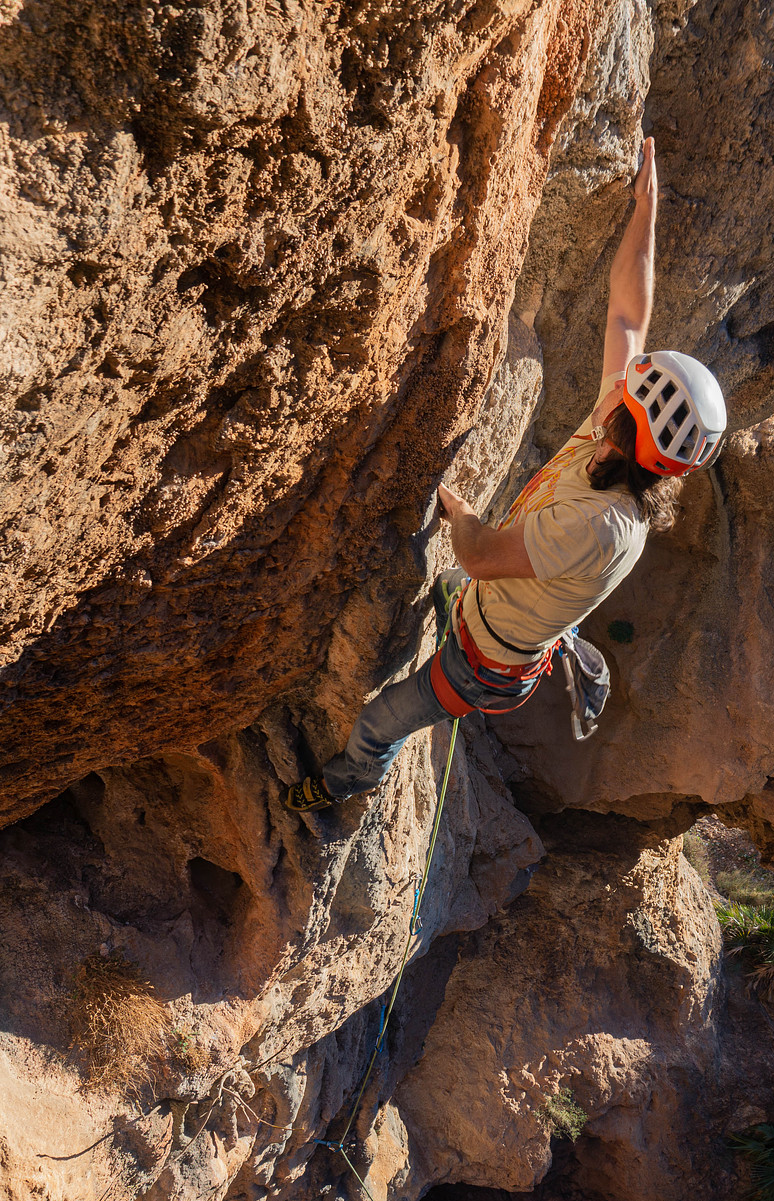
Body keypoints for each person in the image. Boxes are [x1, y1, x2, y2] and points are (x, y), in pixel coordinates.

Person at [285, 136, 726, 813]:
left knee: (379, 723)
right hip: (493, 614)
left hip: (483, 667)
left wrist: (458, 508)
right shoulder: (621, 443)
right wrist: (647, 211)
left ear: (635, 432)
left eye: (628, 398)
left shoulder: (600, 525)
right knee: (454, 592)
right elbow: (628, 316)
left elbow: (483, 557)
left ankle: (349, 781)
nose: (617, 391)